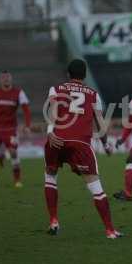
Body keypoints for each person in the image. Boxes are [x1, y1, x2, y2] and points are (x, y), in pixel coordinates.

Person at [44, 59, 122, 239]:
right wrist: (106, 144)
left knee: (50, 177)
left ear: (68, 74)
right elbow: (100, 123)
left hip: (57, 139)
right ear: (84, 75)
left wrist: (50, 131)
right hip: (81, 144)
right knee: (96, 187)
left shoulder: (56, 89)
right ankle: (110, 230)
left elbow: (53, 109)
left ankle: (54, 221)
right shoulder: (93, 94)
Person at [0, 71, 31, 187]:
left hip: (10, 130)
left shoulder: (18, 92)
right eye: (3, 78)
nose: (5, 79)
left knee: (13, 153)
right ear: (0, 80)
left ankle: (17, 180)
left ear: (11, 79)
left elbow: (26, 109)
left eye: (7, 77)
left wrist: (27, 125)